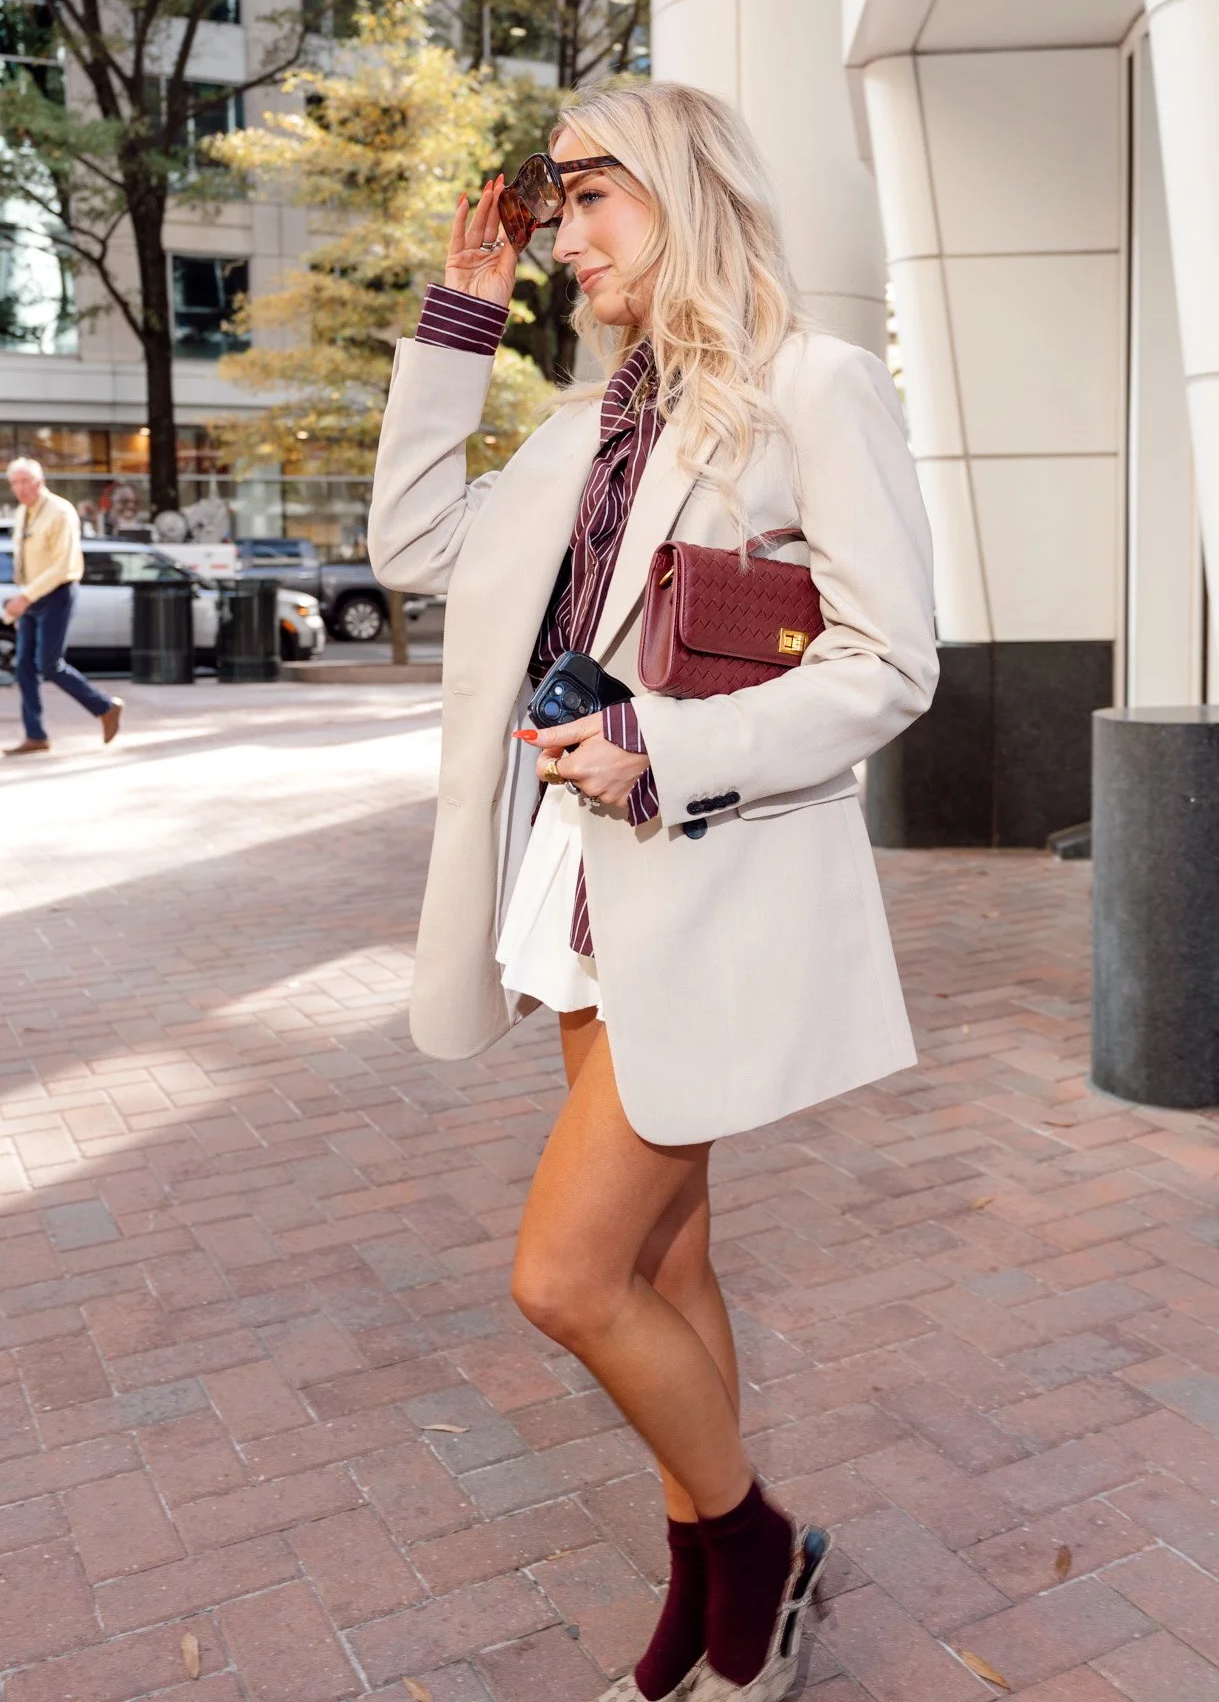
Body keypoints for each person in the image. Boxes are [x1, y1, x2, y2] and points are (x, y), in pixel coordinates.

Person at [369, 82, 937, 1702]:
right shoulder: (581, 422)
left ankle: (751, 1538)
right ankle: (715, 1569)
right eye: (550, 210)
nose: (564, 237)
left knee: (565, 1274)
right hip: (580, 898)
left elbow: (891, 661)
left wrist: (665, 747)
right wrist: (457, 315)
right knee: (668, 1267)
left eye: (590, 197)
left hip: (708, 880)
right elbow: (415, 544)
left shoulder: (813, 388)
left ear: (684, 190)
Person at [4, 457, 122, 756]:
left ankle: (105, 707)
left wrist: (25, 598)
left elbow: (62, 565)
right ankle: (36, 735)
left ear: (39, 481)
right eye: (15, 483)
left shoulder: (60, 511)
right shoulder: (22, 513)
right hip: (32, 597)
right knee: (24, 668)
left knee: (48, 664)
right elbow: (23, 562)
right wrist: (23, 602)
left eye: (25, 481)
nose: (20, 488)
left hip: (57, 593)